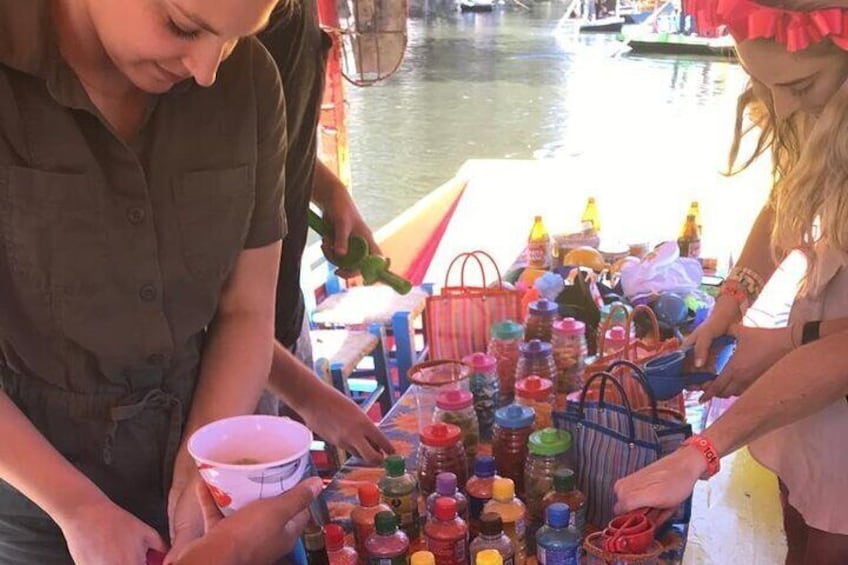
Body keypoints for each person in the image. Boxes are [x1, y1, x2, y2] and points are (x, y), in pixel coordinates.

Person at [0, 0, 290, 562]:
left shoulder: (248, 80)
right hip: (35, 494)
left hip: (201, 442)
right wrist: (77, 508)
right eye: (182, 27)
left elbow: (246, 310)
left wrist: (204, 465)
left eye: (231, 39)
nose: (207, 69)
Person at [613, 0, 848, 562]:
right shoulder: (819, 118)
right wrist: (732, 300)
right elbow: (788, 196)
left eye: (802, 84)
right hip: (811, 396)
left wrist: (698, 453)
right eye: (764, 86)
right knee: (801, 525)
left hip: (823, 376)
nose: (783, 107)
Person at [258, 5, 394, 465]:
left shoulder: (293, 20)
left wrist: (332, 193)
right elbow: (212, 299)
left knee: (295, 507)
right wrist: (309, 396)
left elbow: (279, 144)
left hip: (283, 316)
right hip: (221, 362)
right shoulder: (214, 44)